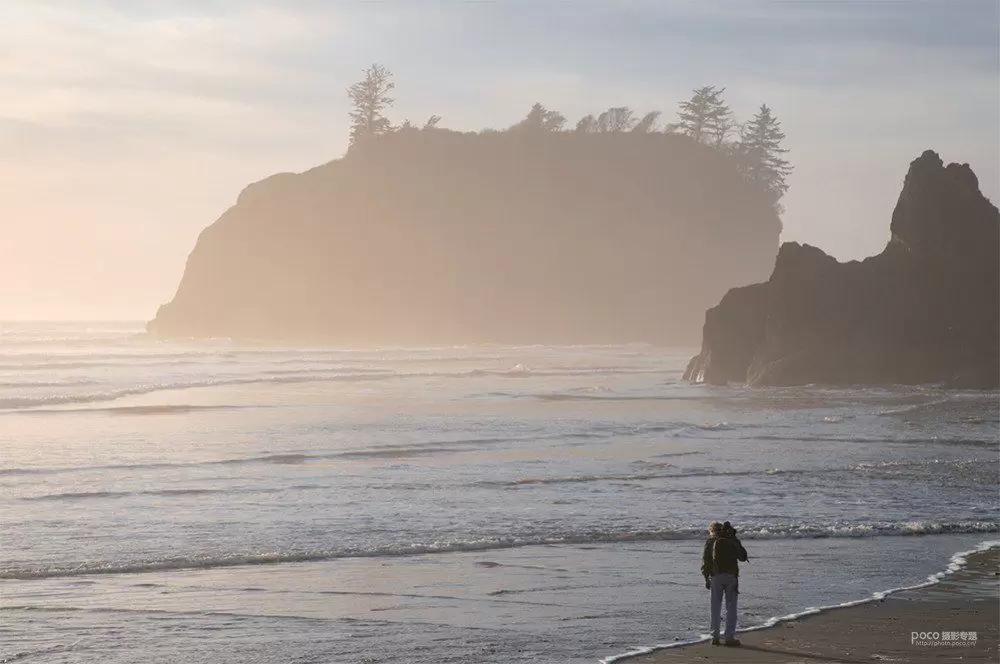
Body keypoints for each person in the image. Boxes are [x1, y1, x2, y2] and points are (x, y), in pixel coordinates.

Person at [701, 521, 749, 646]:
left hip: (716, 577)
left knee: (715, 608)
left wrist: (706, 578)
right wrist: (735, 538)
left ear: (711, 531)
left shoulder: (710, 541)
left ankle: (715, 637)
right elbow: (743, 557)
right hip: (731, 576)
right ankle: (729, 637)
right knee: (731, 608)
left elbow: (705, 562)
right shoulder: (731, 539)